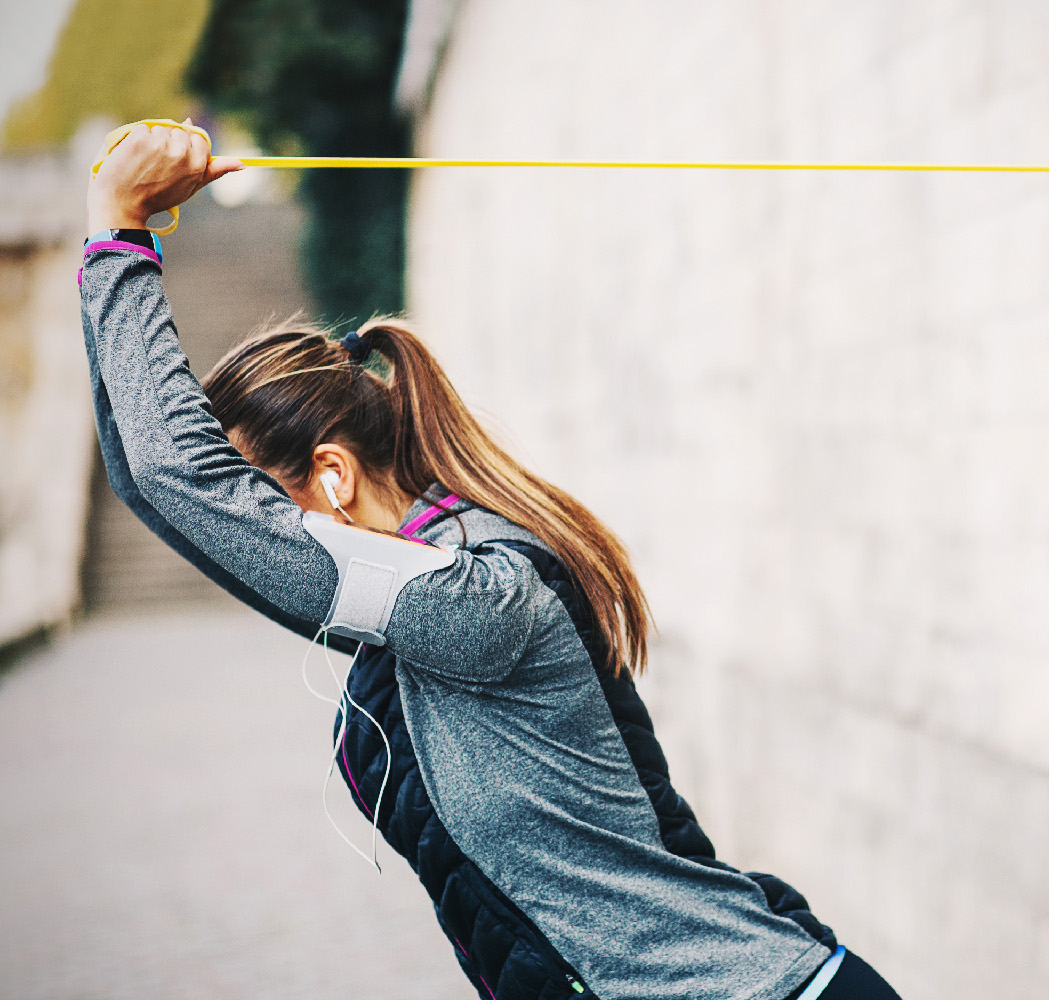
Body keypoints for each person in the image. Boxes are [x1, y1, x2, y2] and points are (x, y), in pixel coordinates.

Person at [80, 119, 905, 1000]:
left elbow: (181, 481)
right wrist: (112, 249)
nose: (250, 534)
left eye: (258, 501)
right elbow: (149, 479)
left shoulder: (475, 595)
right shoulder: (407, 602)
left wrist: (116, 225)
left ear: (330, 473)